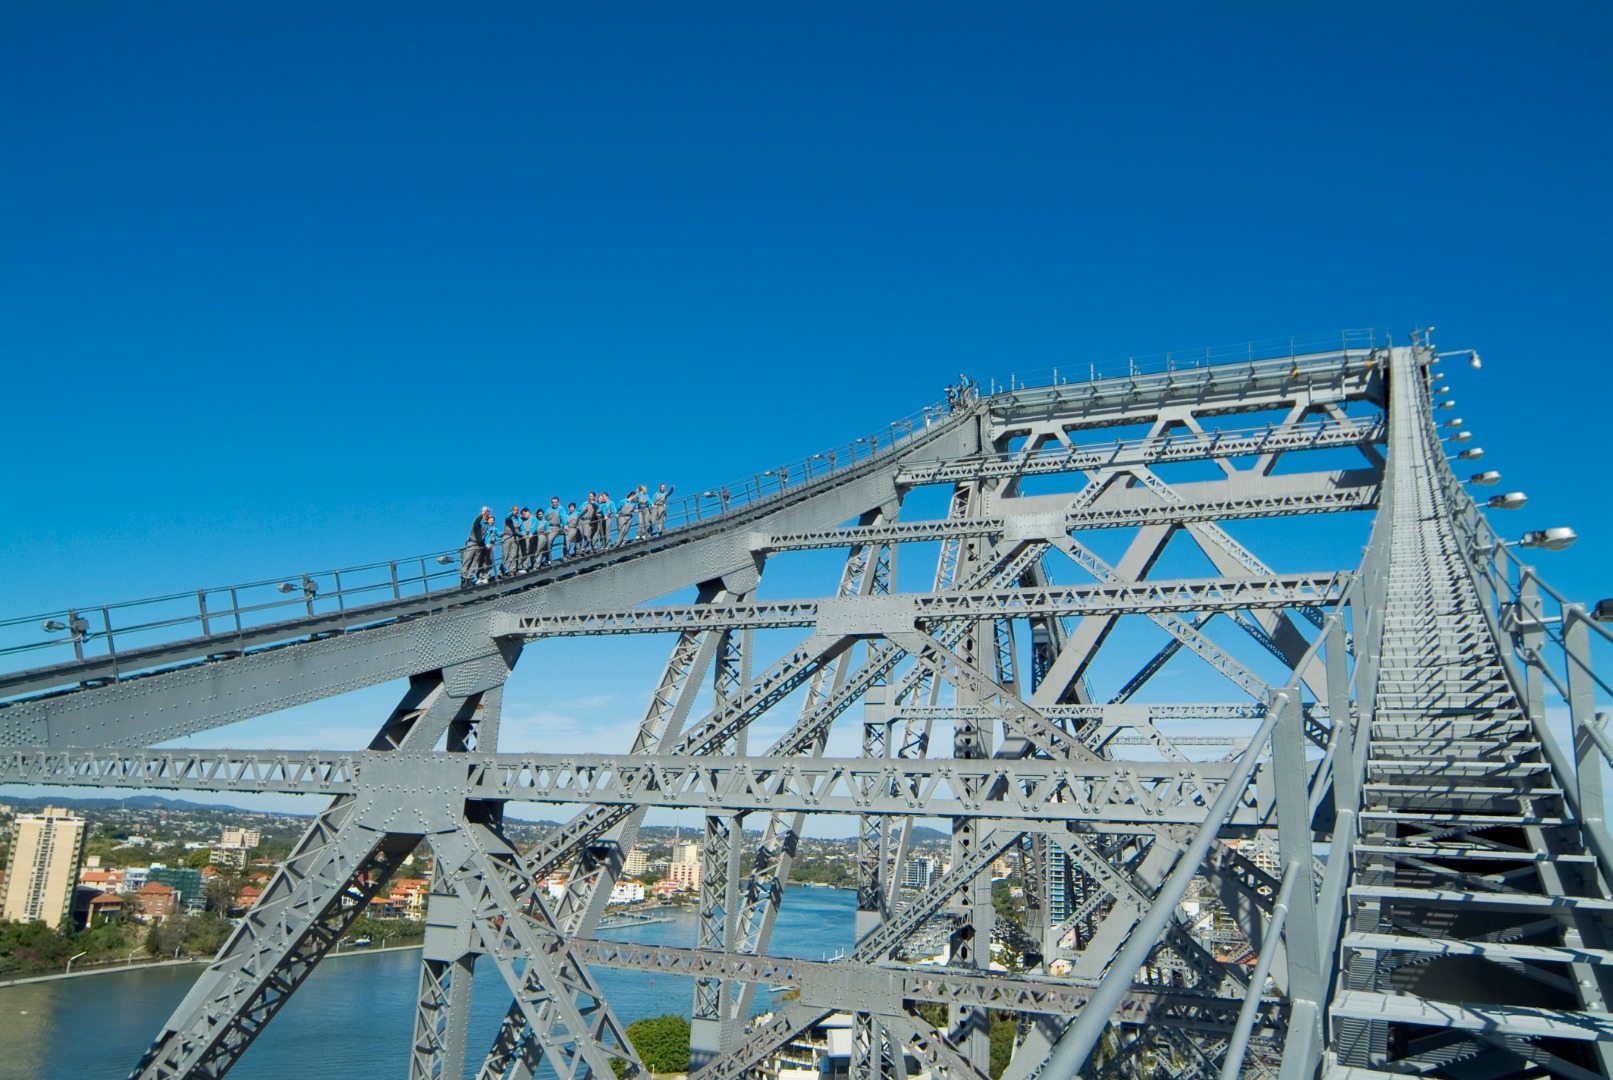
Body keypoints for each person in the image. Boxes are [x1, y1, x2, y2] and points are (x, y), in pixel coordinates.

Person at [461, 506, 492, 586]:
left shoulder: (487, 525)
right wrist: (481, 514)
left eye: (488, 512)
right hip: (472, 543)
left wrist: (487, 543)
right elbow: (476, 523)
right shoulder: (478, 521)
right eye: (486, 512)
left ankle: (469, 578)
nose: (487, 513)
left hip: (479, 545)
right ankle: (463, 579)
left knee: (474, 562)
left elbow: (487, 535)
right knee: (467, 561)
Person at [502, 506, 523, 576]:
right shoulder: (508, 517)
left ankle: (512, 570)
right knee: (505, 554)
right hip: (507, 537)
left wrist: (524, 534)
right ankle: (502, 570)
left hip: (515, 537)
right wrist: (512, 513)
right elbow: (507, 516)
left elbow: (522, 529)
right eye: (514, 509)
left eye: (517, 510)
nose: (516, 511)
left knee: (514, 554)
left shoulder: (519, 520)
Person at [545, 497, 564, 563]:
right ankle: (546, 558)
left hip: (556, 527)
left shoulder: (561, 509)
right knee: (544, 542)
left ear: (558, 502)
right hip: (548, 527)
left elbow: (563, 517)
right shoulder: (549, 510)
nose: (554, 504)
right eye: (553, 502)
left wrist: (565, 525)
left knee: (549, 540)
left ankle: (548, 559)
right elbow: (545, 519)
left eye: (555, 502)